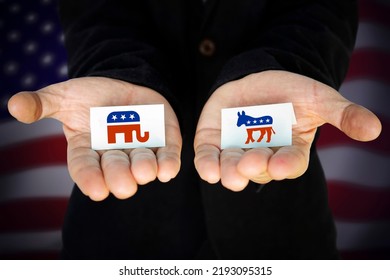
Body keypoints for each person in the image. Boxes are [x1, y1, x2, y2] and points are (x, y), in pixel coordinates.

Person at [8, 0, 381, 259]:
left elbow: (323, 9)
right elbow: (95, 12)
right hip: (121, 232)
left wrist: (290, 65)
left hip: (278, 229)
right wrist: (118, 73)